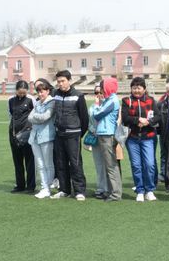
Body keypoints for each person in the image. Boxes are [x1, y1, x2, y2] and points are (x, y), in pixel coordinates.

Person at [51, 70, 89, 200]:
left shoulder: (78, 95)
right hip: (59, 134)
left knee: (75, 163)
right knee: (60, 163)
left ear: (69, 80)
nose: (60, 84)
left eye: (63, 81)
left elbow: (84, 118)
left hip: (73, 135)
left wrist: (78, 134)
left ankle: (79, 191)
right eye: (58, 81)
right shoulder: (55, 94)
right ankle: (64, 190)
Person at [122, 77, 159, 202]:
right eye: (134, 88)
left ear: (144, 89)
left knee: (149, 164)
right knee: (136, 165)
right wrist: (137, 120)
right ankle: (140, 190)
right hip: (132, 138)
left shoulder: (151, 100)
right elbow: (125, 118)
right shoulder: (126, 101)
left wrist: (148, 122)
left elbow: (158, 116)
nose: (136, 91)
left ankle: (149, 190)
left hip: (148, 137)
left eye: (139, 88)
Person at [91, 78, 123, 202]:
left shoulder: (112, 100)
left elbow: (97, 114)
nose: (102, 90)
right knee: (109, 165)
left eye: (103, 87)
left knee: (111, 165)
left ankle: (115, 194)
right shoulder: (109, 99)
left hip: (107, 135)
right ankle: (111, 191)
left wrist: (96, 106)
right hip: (105, 134)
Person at [28, 79, 54, 199]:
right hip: (34, 137)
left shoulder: (52, 102)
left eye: (42, 91)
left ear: (48, 91)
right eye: (38, 92)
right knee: (40, 165)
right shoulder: (37, 103)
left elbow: (45, 117)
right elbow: (29, 117)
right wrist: (37, 117)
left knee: (48, 164)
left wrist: (35, 117)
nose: (40, 94)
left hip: (46, 137)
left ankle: (47, 188)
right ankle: (44, 187)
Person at [9, 80, 36, 194]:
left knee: (29, 161)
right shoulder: (10, 100)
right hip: (13, 134)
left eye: (24, 93)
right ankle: (20, 185)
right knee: (17, 160)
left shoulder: (31, 99)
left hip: (27, 134)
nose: (22, 95)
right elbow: (10, 114)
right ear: (16, 90)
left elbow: (35, 114)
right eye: (20, 92)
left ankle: (30, 186)